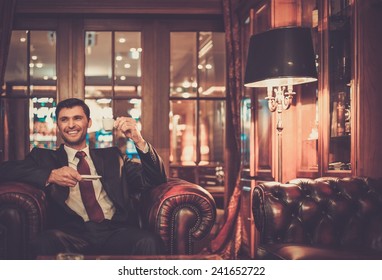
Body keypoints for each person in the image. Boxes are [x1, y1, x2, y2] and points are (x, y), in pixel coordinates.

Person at [0, 98, 167, 257]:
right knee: (45, 242)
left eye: (77, 118)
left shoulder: (113, 156)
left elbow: (156, 180)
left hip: (115, 230)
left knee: (148, 241)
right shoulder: (43, 157)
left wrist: (138, 139)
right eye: (64, 119)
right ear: (58, 125)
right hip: (70, 233)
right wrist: (50, 175)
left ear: (89, 122)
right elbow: (5, 170)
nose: (71, 125)